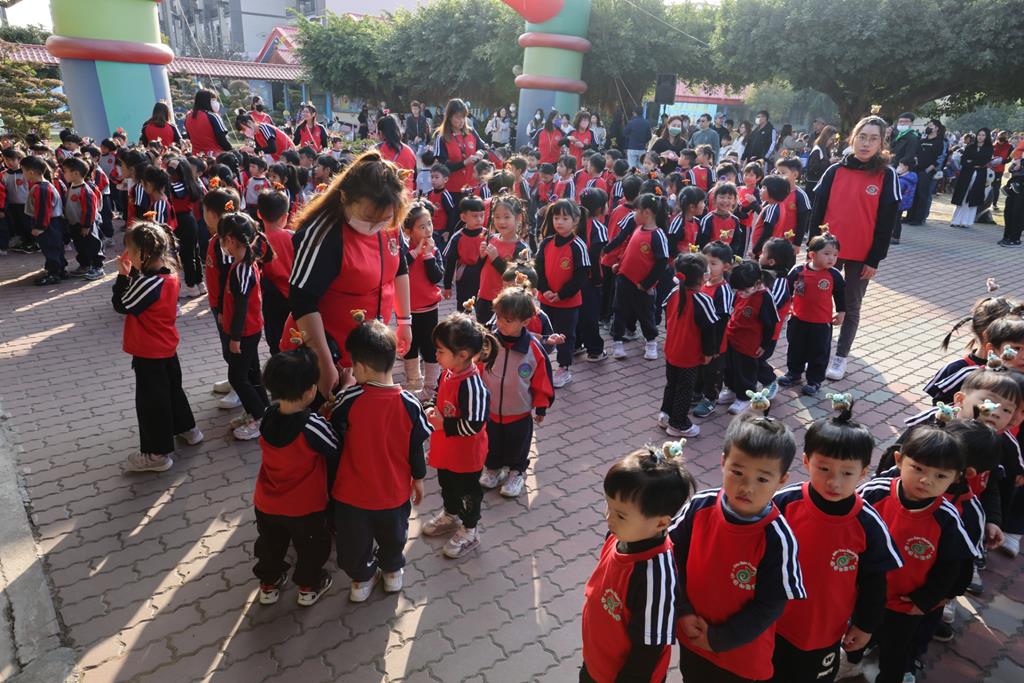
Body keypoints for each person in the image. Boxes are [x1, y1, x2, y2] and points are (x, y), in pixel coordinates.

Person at [771, 398, 902, 683]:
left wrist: (865, 625)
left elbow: (875, 582)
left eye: (847, 473)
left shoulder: (868, 523)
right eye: (824, 469)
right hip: (770, 622)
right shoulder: (782, 504)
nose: (835, 482)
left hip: (823, 632)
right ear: (807, 462)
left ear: (863, 473)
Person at [670, 412, 805, 683]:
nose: (747, 487)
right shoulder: (699, 507)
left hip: (741, 659)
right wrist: (683, 611)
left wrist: (719, 639)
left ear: (782, 480)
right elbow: (671, 557)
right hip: (693, 639)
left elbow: (770, 605)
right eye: (737, 472)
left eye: (762, 479)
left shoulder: (778, 538)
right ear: (723, 462)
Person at [283, 151, 413, 400]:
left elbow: (400, 269)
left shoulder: (389, 223)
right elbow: (302, 300)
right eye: (368, 218)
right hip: (326, 349)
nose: (375, 226)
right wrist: (323, 362)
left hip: (365, 351)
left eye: (384, 219)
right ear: (344, 198)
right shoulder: (323, 234)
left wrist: (405, 321)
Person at [855, 424, 978, 683]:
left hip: (905, 603)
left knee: (896, 651)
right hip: (863, 594)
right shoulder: (873, 493)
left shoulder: (946, 518)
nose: (926, 480)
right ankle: (852, 662)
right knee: (856, 633)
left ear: (956, 478)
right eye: (918, 469)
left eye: (940, 475)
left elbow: (955, 565)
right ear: (899, 460)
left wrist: (926, 601)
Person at [329, 318, 431, 601]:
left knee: (354, 542)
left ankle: (361, 581)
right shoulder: (410, 404)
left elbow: (334, 430)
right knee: (394, 536)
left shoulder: (349, 400)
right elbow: (415, 447)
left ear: (360, 367)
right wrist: (419, 479)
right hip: (394, 493)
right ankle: (392, 573)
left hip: (352, 496)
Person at [580, 444, 696, 683]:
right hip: (596, 663)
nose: (609, 518)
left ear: (661, 523)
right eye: (609, 505)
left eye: (620, 515)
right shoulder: (619, 537)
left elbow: (648, 651)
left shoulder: (655, 578)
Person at [807, 115, 901, 381]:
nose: (866, 143)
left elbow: (887, 222)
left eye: (873, 139)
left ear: (881, 143)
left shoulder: (886, 175)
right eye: (862, 137)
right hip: (828, 251)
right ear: (853, 138)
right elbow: (818, 211)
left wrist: (875, 259)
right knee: (818, 299)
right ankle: (817, 351)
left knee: (851, 306)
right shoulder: (834, 170)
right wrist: (813, 247)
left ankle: (840, 356)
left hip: (862, 254)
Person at [112, 221, 202, 473]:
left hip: (149, 351)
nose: (127, 256)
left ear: (143, 254)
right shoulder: (169, 274)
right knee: (173, 391)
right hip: (166, 347)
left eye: (130, 251)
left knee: (151, 402)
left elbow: (121, 304)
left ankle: (156, 454)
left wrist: (122, 276)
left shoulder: (148, 284)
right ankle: (188, 429)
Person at [253, 348, 337, 607]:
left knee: (270, 545)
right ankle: (309, 586)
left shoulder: (267, 416)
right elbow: (334, 446)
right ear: (311, 391)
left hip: (267, 502)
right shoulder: (312, 425)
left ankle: (268, 584)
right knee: (311, 547)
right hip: (304, 507)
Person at [422, 313, 494, 559]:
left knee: (467, 493)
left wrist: (444, 424)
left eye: (441, 351)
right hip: (446, 450)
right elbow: (438, 395)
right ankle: (450, 514)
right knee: (447, 485)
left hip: (465, 456)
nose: (436, 355)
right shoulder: (448, 372)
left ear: (462, 354)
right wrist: (430, 407)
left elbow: (475, 424)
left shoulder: (472, 386)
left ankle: (470, 529)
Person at [478, 285, 555, 498]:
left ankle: (516, 473)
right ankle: (493, 468)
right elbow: (477, 369)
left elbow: (542, 380)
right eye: (499, 317)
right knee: (492, 443)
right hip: (491, 410)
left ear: (525, 322)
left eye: (508, 320)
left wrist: (541, 406)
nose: (501, 323)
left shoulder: (533, 349)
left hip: (519, 412)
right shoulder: (489, 343)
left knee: (518, 445)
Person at [217, 211, 274, 440]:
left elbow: (241, 306)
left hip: (245, 332)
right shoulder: (245, 264)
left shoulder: (242, 269)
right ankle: (261, 411)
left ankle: (259, 417)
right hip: (250, 329)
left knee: (237, 377)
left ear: (230, 240)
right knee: (252, 374)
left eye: (222, 240)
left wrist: (235, 338)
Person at [658, 253, 719, 438]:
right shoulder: (703, 300)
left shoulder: (674, 292)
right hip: (689, 355)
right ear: (701, 278)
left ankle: (665, 414)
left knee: (672, 384)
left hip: (672, 348)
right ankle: (678, 424)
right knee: (685, 389)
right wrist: (709, 353)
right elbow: (709, 329)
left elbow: (666, 310)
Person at [779, 233, 846, 396]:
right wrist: (785, 308)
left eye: (835, 255)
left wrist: (841, 312)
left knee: (819, 352)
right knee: (795, 347)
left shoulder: (834, 275)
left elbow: (841, 295)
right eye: (827, 253)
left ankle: (814, 380)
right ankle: (794, 373)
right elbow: (786, 290)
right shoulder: (798, 271)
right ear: (812, 255)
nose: (832, 258)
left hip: (821, 323)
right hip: (798, 319)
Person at [605, 193, 669, 361]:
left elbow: (662, 262)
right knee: (619, 310)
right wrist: (619, 264)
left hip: (641, 285)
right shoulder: (637, 229)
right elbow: (630, 252)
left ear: (646, 212)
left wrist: (647, 283)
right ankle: (617, 343)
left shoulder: (658, 235)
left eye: (636, 210)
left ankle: (651, 343)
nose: (633, 213)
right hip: (623, 278)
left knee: (645, 314)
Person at [535, 199, 591, 387]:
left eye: (565, 218)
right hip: (546, 300)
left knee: (565, 336)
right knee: (544, 334)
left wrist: (561, 294)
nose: (559, 222)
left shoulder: (578, 245)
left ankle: (564, 368)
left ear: (575, 220)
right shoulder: (546, 243)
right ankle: (540, 363)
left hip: (567, 303)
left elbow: (581, 276)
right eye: (556, 217)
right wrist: (545, 289)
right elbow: (538, 269)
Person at [475, 193, 530, 325]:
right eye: (497, 217)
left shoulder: (521, 248)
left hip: (506, 301)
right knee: (483, 331)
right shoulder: (490, 238)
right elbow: (480, 268)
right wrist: (481, 257)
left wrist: (496, 259)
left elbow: (515, 278)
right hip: (484, 297)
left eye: (506, 217)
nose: (501, 221)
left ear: (518, 218)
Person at [256, 190, 294, 356]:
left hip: (272, 298)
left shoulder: (258, 242)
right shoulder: (294, 237)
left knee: (276, 341)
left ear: (259, 214)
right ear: (286, 216)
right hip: (295, 295)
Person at [20, 155, 66, 286]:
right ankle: (59, 270)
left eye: (23, 171)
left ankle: (54, 273)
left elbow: (43, 210)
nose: (23, 174)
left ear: (31, 172)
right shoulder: (43, 186)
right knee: (54, 248)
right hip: (51, 223)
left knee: (51, 248)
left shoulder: (42, 188)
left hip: (49, 224)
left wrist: (39, 227)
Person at [60, 156, 104, 281]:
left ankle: (98, 267)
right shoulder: (71, 187)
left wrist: (86, 225)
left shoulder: (85, 190)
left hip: (85, 226)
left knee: (93, 246)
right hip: (75, 224)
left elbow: (89, 210)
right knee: (80, 247)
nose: (63, 174)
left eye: (65, 171)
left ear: (76, 173)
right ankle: (85, 265)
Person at [433, 98, 489, 193]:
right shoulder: (441, 137)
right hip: (452, 189)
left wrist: (480, 153)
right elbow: (443, 167)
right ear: (449, 117)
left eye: (464, 116)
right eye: (458, 117)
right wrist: (464, 163)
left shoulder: (471, 132)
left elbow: (484, 149)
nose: (462, 120)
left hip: (473, 187)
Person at [442, 195, 487, 309]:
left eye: (481, 215)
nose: (479, 219)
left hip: (484, 275)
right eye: (474, 216)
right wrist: (447, 286)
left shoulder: (488, 235)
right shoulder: (457, 237)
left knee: (483, 306)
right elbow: (450, 263)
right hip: (465, 276)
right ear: (463, 217)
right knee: (463, 306)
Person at [950, 127, 993, 228]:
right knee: (963, 197)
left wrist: (972, 161)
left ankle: (967, 221)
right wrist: (974, 163)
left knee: (972, 198)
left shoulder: (989, 148)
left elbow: (984, 161)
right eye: (979, 135)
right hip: (966, 174)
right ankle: (956, 220)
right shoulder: (970, 147)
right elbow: (964, 160)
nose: (980, 137)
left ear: (986, 137)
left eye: (983, 135)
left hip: (979, 175)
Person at [184, 89, 232, 157]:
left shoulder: (188, 117)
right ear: (206, 101)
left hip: (196, 156)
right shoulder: (212, 116)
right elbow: (221, 138)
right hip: (215, 155)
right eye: (213, 100)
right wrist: (231, 150)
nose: (216, 103)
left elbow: (189, 137)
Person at [376, 114, 417, 192]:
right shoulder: (410, 152)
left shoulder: (377, 151)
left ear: (380, 133)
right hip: (407, 196)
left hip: (385, 196)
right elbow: (414, 180)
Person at [892, 160, 918, 244]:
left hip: (899, 202)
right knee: (897, 219)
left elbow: (897, 191)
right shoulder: (910, 178)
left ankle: (895, 237)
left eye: (900, 165)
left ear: (906, 167)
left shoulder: (903, 180)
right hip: (904, 202)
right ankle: (894, 236)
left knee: (895, 220)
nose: (898, 167)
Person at [991, 130, 1014, 211]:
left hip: (999, 170)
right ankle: (985, 202)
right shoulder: (993, 145)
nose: (1002, 137)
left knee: (996, 187)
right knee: (987, 186)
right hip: (990, 169)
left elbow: (1010, 158)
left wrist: (1003, 161)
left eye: (1004, 136)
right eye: (1001, 136)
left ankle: (994, 204)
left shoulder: (1009, 146)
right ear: (998, 136)